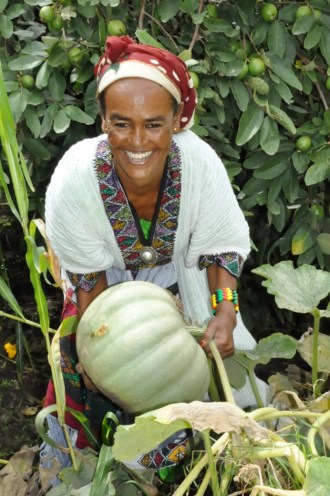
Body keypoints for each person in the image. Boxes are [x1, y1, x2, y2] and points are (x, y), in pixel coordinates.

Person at [42, 35, 268, 475]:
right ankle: (72, 464)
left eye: (154, 124)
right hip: (104, 295)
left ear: (177, 121)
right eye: (122, 123)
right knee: (87, 384)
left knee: (191, 383)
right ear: (103, 121)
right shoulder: (74, 180)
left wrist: (225, 312)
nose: (138, 140)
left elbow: (219, 248)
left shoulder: (199, 165)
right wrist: (97, 350)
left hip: (178, 288)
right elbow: (89, 283)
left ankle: (166, 467)